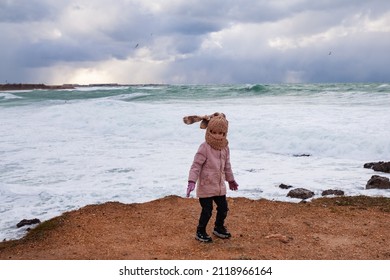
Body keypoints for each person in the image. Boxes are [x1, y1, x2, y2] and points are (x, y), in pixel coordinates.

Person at [183, 112, 239, 242]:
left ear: (225, 133)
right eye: (214, 132)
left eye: (221, 133)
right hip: (206, 186)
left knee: (224, 208)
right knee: (207, 210)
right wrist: (192, 181)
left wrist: (231, 180)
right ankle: (200, 231)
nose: (217, 136)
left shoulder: (225, 148)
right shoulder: (204, 147)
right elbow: (196, 165)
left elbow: (227, 166)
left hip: (219, 186)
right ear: (209, 131)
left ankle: (218, 227)